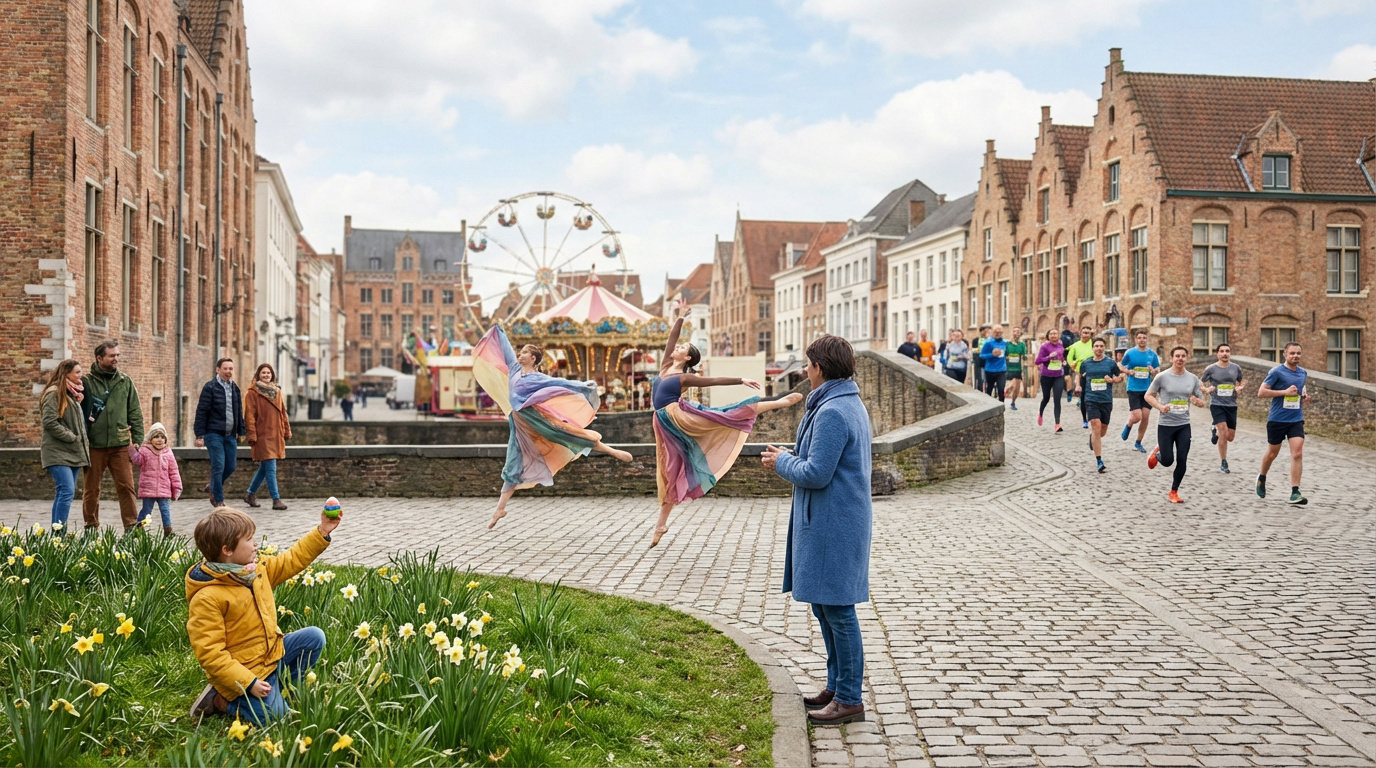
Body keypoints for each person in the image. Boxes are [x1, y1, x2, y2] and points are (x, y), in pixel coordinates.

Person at [761, 334, 871, 726]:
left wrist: (782, 461)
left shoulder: (833, 412)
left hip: (834, 523)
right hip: (831, 519)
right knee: (826, 607)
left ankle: (849, 698)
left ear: (820, 368)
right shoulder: (840, 402)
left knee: (838, 610)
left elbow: (817, 472)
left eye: (808, 365)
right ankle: (836, 686)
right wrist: (791, 457)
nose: (805, 371)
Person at [648, 302, 803, 547]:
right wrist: (680, 317)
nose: (676, 347)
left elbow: (714, 381)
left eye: (682, 348)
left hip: (678, 417)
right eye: (679, 346)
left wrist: (740, 379)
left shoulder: (684, 377)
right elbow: (671, 338)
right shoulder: (666, 366)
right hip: (662, 424)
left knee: (728, 414)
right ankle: (661, 525)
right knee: (670, 471)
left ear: (687, 357)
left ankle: (778, 402)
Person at [186, 504, 340, 725]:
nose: (255, 544)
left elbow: (292, 559)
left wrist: (322, 531)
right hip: (246, 671)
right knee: (277, 719)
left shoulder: (255, 572)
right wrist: (249, 683)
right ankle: (222, 700)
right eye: (249, 539)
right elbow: (211, 655)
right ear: (227, 550)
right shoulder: (207, 598)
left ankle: (283, 687)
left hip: (271, 655)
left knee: (314, 637)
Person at [473, 326, 633, 530]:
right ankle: (499, 509)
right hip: (519, 423)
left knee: (566, 433)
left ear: (533, 358)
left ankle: (611, 451)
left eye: (524, 352)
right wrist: (499, 330)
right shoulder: (514, 369)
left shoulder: (538, 378)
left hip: (535, 419)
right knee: (513, 462)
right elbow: (506, 350)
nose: (520, 354)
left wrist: (582, 386)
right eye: (520, 352)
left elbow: (559, 382)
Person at [81, 340, 144, 531]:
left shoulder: (125, 381)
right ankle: (91, 525)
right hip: (94, 444)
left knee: (126, 487)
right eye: (111, 356)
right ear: (99, 358)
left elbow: (135, 412)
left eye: (117, 355)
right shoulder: (86, 382)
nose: (116, 359)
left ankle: (131, 525)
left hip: (120, 444)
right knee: (92, 489)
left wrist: (137, 439)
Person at [1144, 346, 1207, 503]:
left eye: (1183, 356)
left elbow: (1202, 402)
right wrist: (1160, 407)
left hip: (1183, 425)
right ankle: (1158, 454)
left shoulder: (1192, 379)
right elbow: (1148, 396)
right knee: (1167, 461)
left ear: (1186, 358)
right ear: (1171, 358)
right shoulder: (1162, 377)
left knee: (1182, 459)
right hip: (1166, 425)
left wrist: (1197, 402)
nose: (1180, 358)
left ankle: (1174, 491)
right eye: (1177, 356)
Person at [1256, 341, 1310, 505]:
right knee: (1272, 453)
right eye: (1292, 353)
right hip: (1277, 419)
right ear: (1285, 354)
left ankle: (1295, 492)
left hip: (1295, 419)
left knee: (1297, 453)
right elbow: (1261, 392)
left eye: (1298, 353)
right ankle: (1262, 477)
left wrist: (1304, 395)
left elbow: (1300, 388)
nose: (1295, 356)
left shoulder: (1303, 373)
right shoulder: (1276, 372)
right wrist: (1284, 392)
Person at [40, 359, 90, 529]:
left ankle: (57, 532)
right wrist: (72, 437)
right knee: (66, 491)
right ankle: (59, 534)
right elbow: (50, 422)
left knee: (65, 492)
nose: (81, 375)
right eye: (77, 372)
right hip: (57, 452)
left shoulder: (71, 394)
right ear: (66, 373)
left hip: (72, 452)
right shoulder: (54, 393)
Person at [194, 358, 246, 507]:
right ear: (218, 370)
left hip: (230, 435)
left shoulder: (235, 388)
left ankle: (212, 486)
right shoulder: (210, 387)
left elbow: (238, 411)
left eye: (231, 369)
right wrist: (199, 435)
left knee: (231, 466)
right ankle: (219, 500)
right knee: (218, 466)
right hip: (213, 434)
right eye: (225, 368)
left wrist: (241, 430)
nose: (228, 371)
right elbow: (201, 411)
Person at [243, 363, 293, 511]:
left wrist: (286, 430)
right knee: (271, 468)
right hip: (262, 435)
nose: (266, 375)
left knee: (264, 468)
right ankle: (276, 499)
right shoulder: (252, 393)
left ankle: (250, 494)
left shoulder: (277, 391)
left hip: (276, 434)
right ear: (258, 375)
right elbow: (249, 416)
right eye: (263, 373)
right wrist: (251, 434)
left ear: (272, 375)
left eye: (268, 373)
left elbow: (283, 413)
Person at [1076, 337, 1125, 473]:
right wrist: (1079, 388)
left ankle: (1093, 437)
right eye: (1096, 346)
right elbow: (1081, 377)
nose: (1099, 348)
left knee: (1101, 431)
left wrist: (1112, 380)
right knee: (1095, 425)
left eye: (1101, 346)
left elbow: (1120, 377)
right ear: (1092, 348)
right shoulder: (1086, 363)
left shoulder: (1110, 363)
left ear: (1104, 348)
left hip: (1106, 400)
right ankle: (1099, 461)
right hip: (1091, 400)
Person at [128, 422, 182, 535]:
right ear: (150, 439)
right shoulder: (145, 450)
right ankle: (138, 529)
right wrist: (132, 450)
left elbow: (174, 471)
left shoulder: (168, 453)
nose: (159, 439)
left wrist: (177, 487)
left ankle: (168, 531)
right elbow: (137, 461)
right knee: (146, 510)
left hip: (164, 488)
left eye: (162, 437)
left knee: (165, 510)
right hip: (148, 488)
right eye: (156, 436)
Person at [1200, 343, 1244, 474]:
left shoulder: (1236, 368)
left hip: (1231, 405)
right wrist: (1206, 389)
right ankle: (1223, 462)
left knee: (1230, 437)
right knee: (1224, 434)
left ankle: (1214, 429)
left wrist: (1240, 388)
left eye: (1227, 351)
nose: (1225, 353)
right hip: (1217, 404)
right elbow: (1200, 382)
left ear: (1230, 353)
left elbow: (1241, 381)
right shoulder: (1211, 369)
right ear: (1217, 354)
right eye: (1222, 351)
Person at [1118, 331, 1160, 453]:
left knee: (1145, 417)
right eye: (1140, 338)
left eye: (1144, 338)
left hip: (1147, 390)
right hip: (1133, 388)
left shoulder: (1152, 354)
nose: (1142, 340)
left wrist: (1153, 371)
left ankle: (1138, 442)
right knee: (1137, 416)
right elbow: (1120, 365)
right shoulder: (1130, 353)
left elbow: (1157, 368)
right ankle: (1129, 424)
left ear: (1147, 339)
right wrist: (1128, 372)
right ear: (1136, 339)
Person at [1034, 330, 1067, 432]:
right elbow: (1037, 361)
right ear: (1048, 336)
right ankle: (1040, 413)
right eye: (1051, 334)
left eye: (1055, 333)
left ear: (1058, 335)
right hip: (1046, 376)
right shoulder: (1044, 347)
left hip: (1058, 375)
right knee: (1046, 398)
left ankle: (1057, 424)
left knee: (1057, 399)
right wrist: (1049, 357)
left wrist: (1063, 361)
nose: (1053, 335)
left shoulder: (1061, 345)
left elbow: (1061, 358)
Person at [1065, 326, 1096, 428]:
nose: (1086, 335)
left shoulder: (1094, 344)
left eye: (1088, 333)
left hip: (1094, 373)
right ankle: (1084, 419)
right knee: (1084, 397)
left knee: (1094, 396)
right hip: (1081, 373)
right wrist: (1074, 364)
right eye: (1084, 332)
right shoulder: (1075, 346)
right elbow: (1069, 358)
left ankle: (1094, 416)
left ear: (1090, 334)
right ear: (1080, 334)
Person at [979, 324, 1008, 401]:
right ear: (993, 332)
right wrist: (992, 355)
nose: (998, 334)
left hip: (1001, 370)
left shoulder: (1005, 343)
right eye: (996, 332)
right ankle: (988, 406)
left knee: (1001, 390)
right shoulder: (988, 342)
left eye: (999, 332)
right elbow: (982, 355)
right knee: (989, 390)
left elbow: (1007, 353)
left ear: (1002, 332)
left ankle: (1001, 406)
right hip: (990, 370)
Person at [1004, 327, 1028, 410]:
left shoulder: (1022, 345)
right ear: (1012, 333)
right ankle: (1004, 394)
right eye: (1015, 331)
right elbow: (1003, 354)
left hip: (1017, 368)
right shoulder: (1007, 344)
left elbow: (1024, 356)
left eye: (1018, 331)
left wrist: (1025, 357)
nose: (1016, 333)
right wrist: (1006, 358)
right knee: (1009, 384)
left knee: (1017, 386)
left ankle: (1013, 402)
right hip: (1008, 367)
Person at [971, 325, 991, 392]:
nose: (986, 333)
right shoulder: (976, 340)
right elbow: (974, 352)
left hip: (988, 361)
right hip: (979, 361)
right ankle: (979, 390)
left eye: (988, 331)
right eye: (985, 331)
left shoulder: (990, 340)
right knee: (979, 377)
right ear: (981, 332)